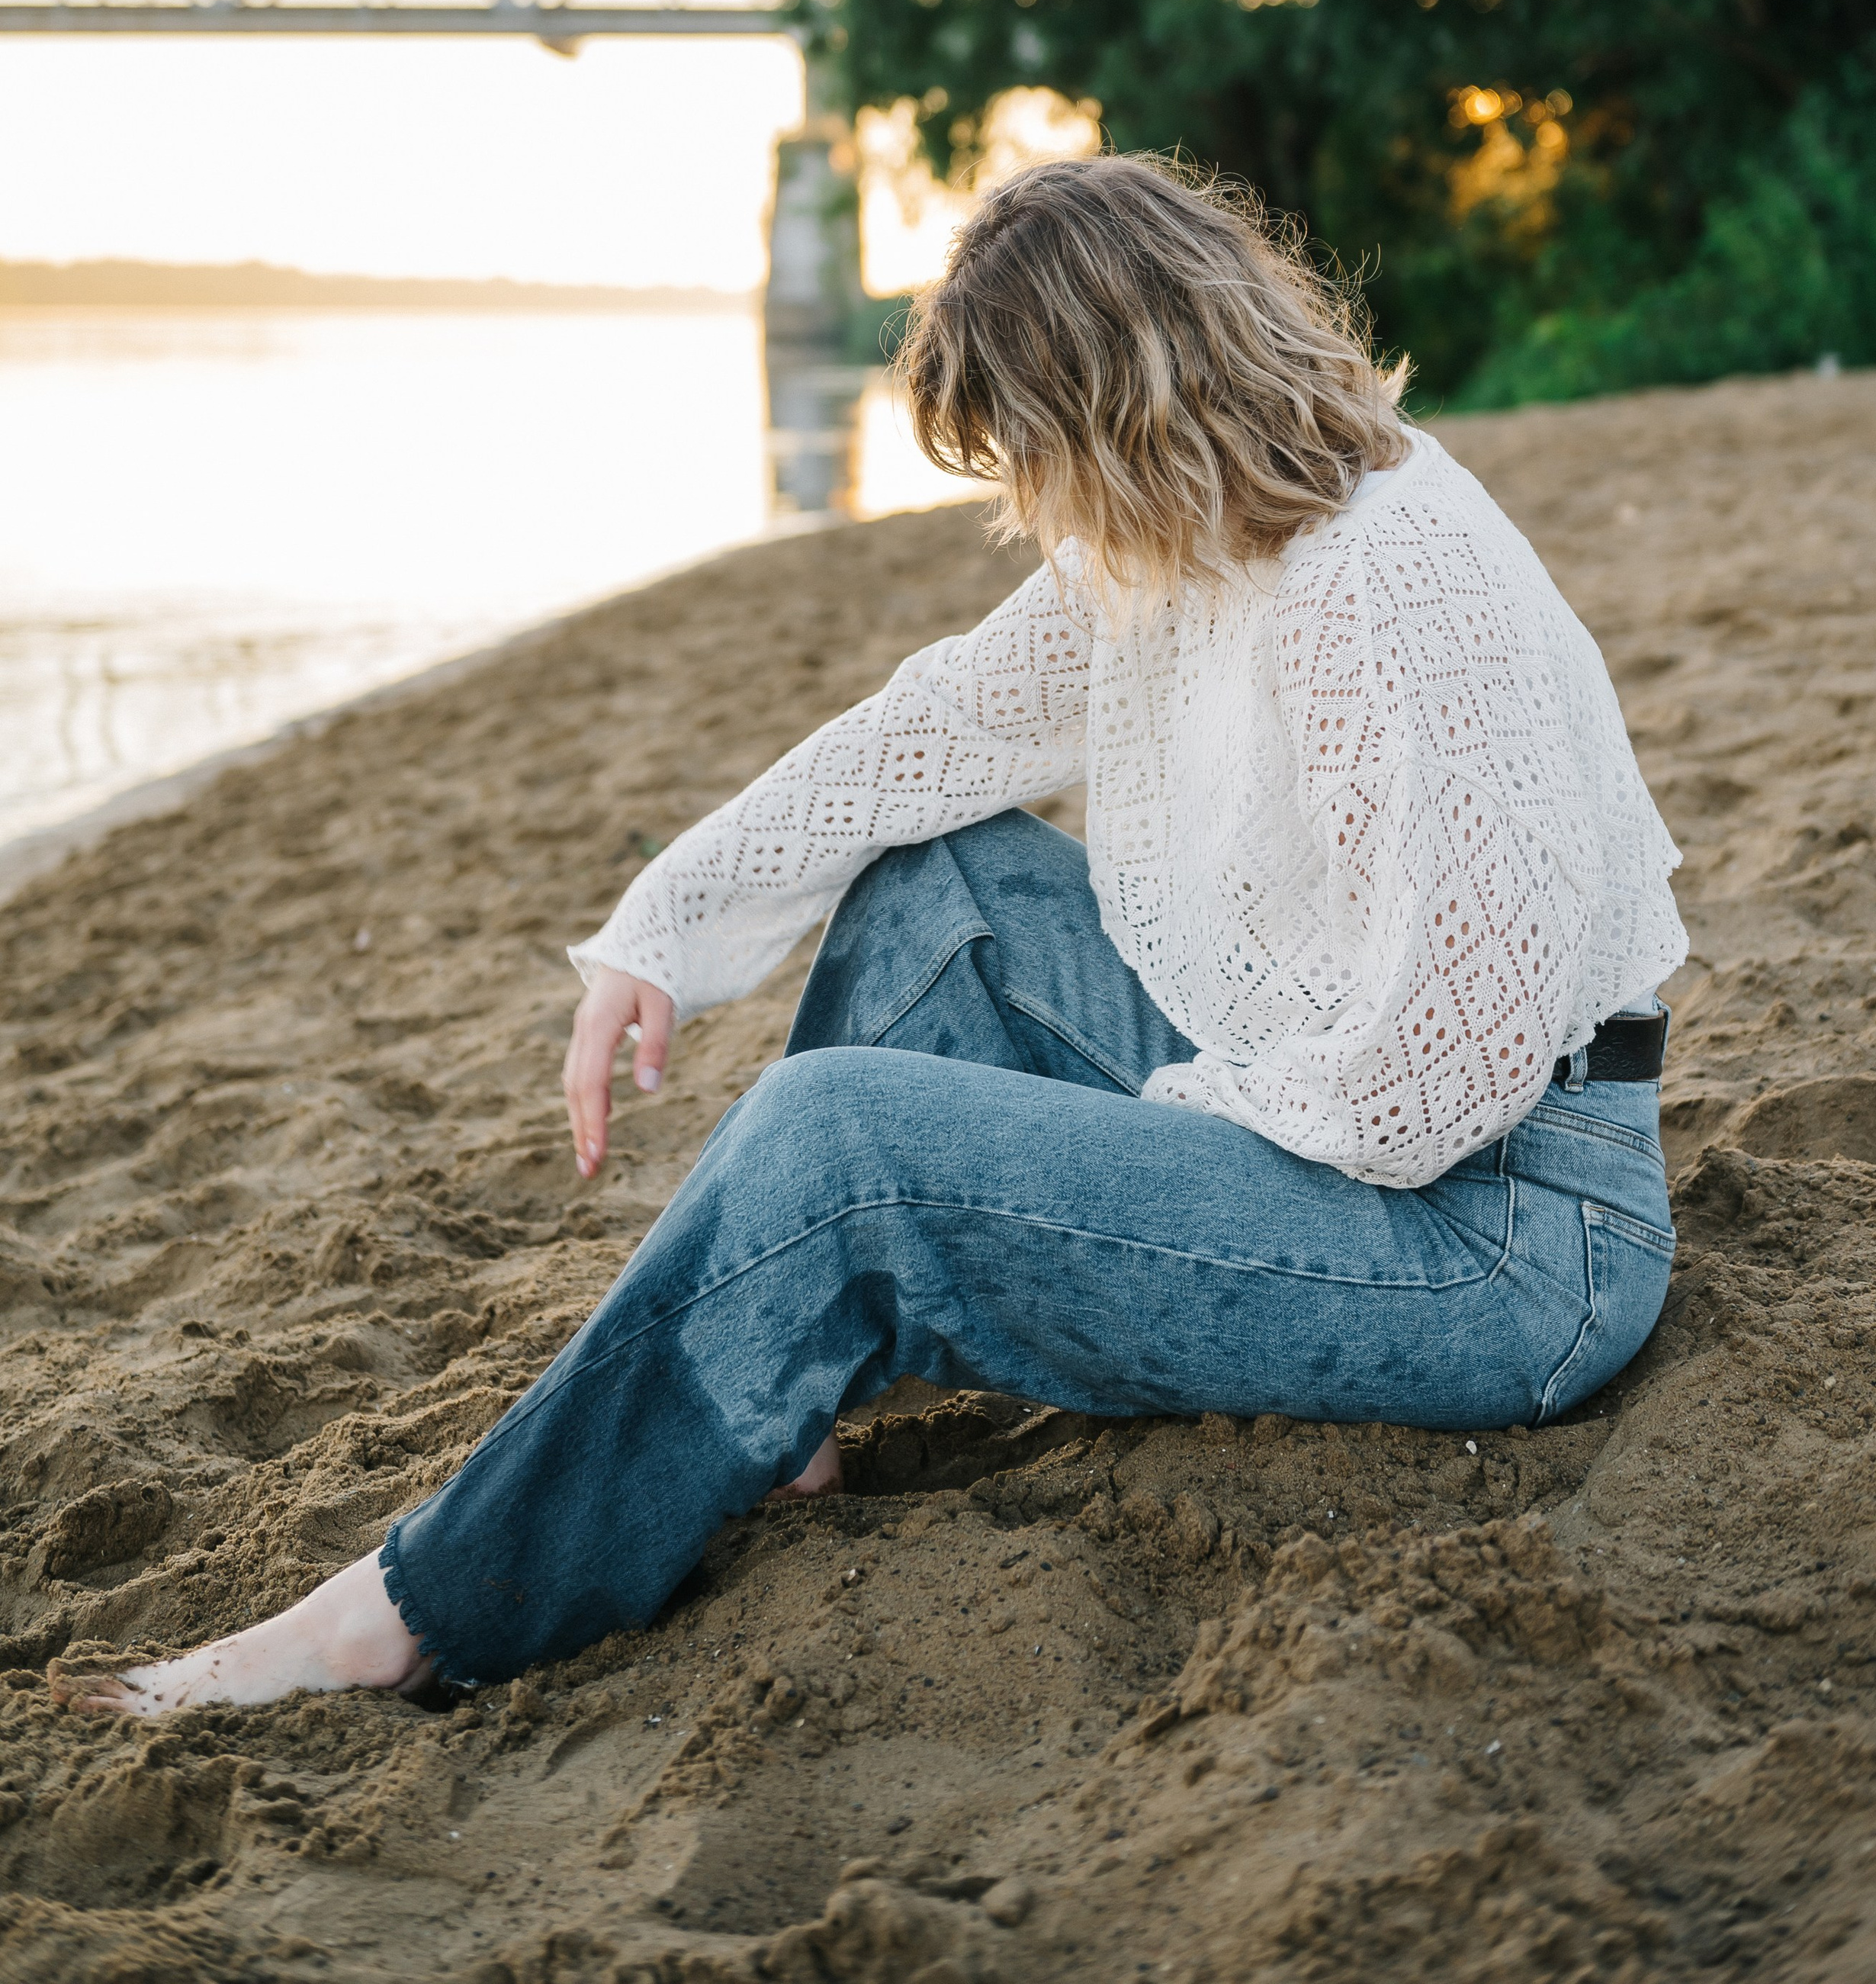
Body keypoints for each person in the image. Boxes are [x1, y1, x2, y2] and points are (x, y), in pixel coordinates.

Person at [71, 156, 1683, 1718]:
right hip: (1360, 1107)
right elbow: (936, 732)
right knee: (941, 887)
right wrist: (663, 922)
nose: (1032, 504)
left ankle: (408, 1616)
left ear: (1113, 413)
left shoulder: (1386, 587)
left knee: (844, 1143)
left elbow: (1457, 1057)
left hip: (1505, 1238)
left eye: (1029, 454)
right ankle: (783, 1402)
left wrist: (1143, 1131)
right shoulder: (1214, 526)